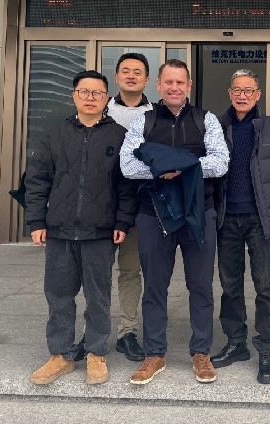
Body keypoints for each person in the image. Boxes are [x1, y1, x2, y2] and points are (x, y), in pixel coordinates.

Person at [120, 58, 229, 385]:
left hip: (199, 212)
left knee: (201, 286)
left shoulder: (206, 119)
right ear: (158, 85)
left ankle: (201, 352)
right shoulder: (144, 121)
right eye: (168, 82)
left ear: (189, 85)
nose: (174, 87)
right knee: (154, 286)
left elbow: (220, 162)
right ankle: (155, 353)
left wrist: (178, 167)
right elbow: (128, 165)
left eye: (180, 82)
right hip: (154, 214)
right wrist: (165, 168)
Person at [25, 70, 131, 386]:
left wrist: (122, 222)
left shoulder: (119, 135)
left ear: (106, 98)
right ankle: (61, 355)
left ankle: (96, 352)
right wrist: (36, 221)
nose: (90, 98)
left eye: (97, 93)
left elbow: (127, 186)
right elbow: (37, 179)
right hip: (59, 229)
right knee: (58, 295)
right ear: (74, 96)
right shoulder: (56, 133)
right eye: (84, 92)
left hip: (100, 231)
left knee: (98, 296)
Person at [211, 69, 270, 384]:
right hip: (226, 218)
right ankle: (236, 343)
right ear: (229, 93)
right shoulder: (217, 125)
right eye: (237, 89)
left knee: (265, 287)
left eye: (248, 90)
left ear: (258, 94)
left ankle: (265, 349)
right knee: (230, 286)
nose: (242, 95)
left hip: (262, 218)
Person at [106, 52, 153, 362]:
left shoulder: (155, 115)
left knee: (130, 271)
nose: (131, 75)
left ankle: (127, 331)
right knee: (95, 273)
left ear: (147, 80)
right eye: (126, 70)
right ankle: (94, 330)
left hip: (138, 207)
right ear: (117, 77)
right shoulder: (102, 109)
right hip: (101, 206)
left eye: (138, 71)